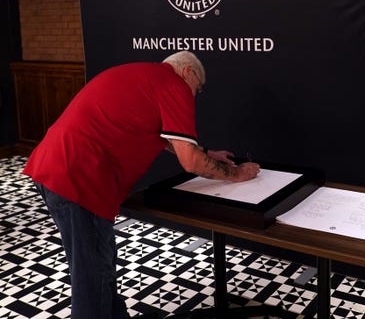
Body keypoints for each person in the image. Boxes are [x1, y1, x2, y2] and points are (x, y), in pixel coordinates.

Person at [23, 51, 259, 319]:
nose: (195, 94)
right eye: (199, 88)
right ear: (189, 73)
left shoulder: (145, 76)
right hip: (79, 178)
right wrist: (236, 174)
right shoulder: (175, 85)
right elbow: (190, 161)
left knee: (100, 264)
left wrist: (206, 151)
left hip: (59, 168)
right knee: (92, 278)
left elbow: (167, 137)